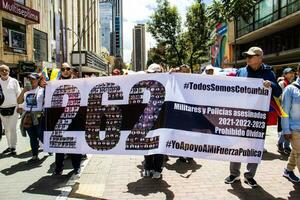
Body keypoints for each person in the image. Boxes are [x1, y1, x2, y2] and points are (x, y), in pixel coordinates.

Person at [224, 47, 281, 187]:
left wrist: (271, 85)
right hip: (240, 115)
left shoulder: (268, 72)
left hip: (258, 116)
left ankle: (249, 176)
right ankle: (234, 174)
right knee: (237, 145)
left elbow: (278, 91)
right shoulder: (241, 71)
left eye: (251, 56)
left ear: (260, 58)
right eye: (247, 56)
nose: (248, 58)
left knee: (255, 146)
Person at [53, 62, 82, 175]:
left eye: (67, 68)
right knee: (59, 144)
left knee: (75, 143)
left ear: (71, 70)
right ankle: (58, 168)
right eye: (63, 69)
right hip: (59, 118)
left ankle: (76, 167)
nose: (65, 70)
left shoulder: (78, 82)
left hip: (75, 118)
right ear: (61, 70)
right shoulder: (54, 83)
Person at [143, 63, 164, 179]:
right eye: (152, 73)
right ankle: (148, 167)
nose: (154, 75)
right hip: (147, 120)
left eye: (156, 73)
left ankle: (157, 169)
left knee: (159, 145)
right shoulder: (144, 85)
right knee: (147, 144)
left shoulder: (167, 85)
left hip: (161, 121)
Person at [17, 73, 44, 162]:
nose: (31, 81)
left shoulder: (42, 90)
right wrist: (24, 90)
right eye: (29, 79)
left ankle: (48, 148)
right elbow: (19, 101)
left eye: (33, 79)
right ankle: (34, 155)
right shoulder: (26, 91)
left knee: (41, 135)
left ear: (38, 80)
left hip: (39, 116)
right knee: (32, 137)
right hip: (28, 117)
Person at [281, 67, 300, 183]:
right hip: (295, 128)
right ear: (298, 73)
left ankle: (288, 170)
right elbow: (284, 112)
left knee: (296, 151)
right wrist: (286, 130)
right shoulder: (290, 89)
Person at [0, 65, 21, 155]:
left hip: (14, 108)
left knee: (12, 128)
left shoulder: (14, 81)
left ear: (9, 71)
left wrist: (20, 106)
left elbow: (19, 94)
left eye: (6, 70)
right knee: (7, 129)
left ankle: (13, 147)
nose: (4, 72)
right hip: (2, 109)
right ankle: (9, 146)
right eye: (2, 70)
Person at [277, 67, 295, 155]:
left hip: (291, 109)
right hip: (283, 109)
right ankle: (281, 143)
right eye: (289, 73)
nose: (292, 74)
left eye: (293, 72)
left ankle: (286, 146)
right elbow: (278, 96)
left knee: (290, 128)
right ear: (285, 74)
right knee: (285, 128)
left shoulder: (293, 84)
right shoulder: (282, 83)